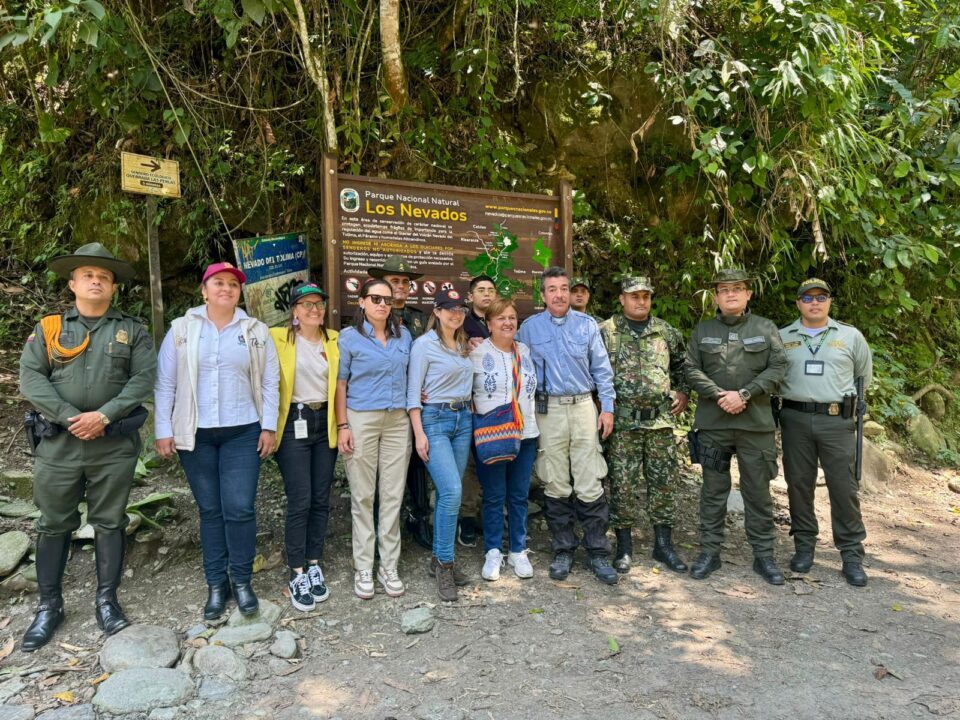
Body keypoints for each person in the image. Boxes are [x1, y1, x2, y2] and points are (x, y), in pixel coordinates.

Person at [19, 243, 156, 651]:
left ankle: (107, 601)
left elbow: (142, 378)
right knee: (53, 523)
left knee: (110, 521)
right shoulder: (50, 329)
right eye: (88, 275)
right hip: (59, 444)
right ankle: (49, 606)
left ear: (113, 287)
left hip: (112, 445)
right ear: (73, 283)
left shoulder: (132, 330)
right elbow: (31, 378)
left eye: (105, 277)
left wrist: (104, 416)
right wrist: (70, 417)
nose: (96, 281)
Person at [155, 262, 280, 619]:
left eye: (233, 284)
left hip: (244, 430)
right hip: (196, 433)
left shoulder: (255, 331)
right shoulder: (181, 330)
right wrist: (163, 428)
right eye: (218, 283)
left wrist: (268, 426)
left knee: (239, 508)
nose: (226, 289)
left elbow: (270, 382)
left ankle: (241, 581)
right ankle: (216, 585)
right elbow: (165, 383)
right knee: (210, 510)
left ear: (240, 292)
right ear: (204, 290)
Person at [684, 268, 787, 585]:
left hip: (755, 427)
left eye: (738, 288)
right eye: (724, 289)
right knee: (713, 491)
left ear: (748, 295)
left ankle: (764, 557)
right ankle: (709, 553)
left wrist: (745, 394)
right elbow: (690, 368)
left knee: (758, 493)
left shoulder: (765, 328)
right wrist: (719, 395)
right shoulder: (703, 331)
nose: (731, 293)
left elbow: (779, 366)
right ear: (715, 296)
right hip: (714, 427)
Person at [517, 266, 618, 585]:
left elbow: (602, 370)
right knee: (555, 478)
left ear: (571, 292)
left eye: (564, 288)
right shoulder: (529, 329)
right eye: (552, 289)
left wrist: (608, 408)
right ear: (542, 294)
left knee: (590, 477)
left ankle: (598, 551)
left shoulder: (587, 326)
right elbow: (515, 368)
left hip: (584, 407)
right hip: (547, 411)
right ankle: (563, 548)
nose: (559, 294)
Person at [778, 279, 873, 587]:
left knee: (844, 487)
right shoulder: (782, 337)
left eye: (821, 297)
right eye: (807, 297)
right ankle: (804, 547)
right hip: (795, 418)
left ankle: (851, 554)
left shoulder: (850, 336)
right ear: (798, 303)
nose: (814, 302)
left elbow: (863, 376)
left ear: (830, 301)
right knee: (798, 484)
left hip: (837, 420)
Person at [599, 276, 690, 574]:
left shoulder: (664, 331)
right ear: (622, 299)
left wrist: (683, 391)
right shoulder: (606, 332)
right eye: (634, 296)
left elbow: (683, 365)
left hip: (660, 422)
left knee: (663, 485)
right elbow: (591, 372)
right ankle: (624, 546)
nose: (641, 301)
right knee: (623, 486)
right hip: (623, 424)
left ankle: (663, 545)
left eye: (645, 296)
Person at [336, 278, 413, 600]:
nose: (383, 304)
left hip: (398, 421)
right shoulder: (349, 338)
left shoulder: (404, 335)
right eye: (376, 299)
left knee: (393, 495)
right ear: (362, 302)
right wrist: (343, 425)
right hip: (361, 418)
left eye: (387, 300)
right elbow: (340, 385)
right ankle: (364, 567)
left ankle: (389, 565)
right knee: (363, 496)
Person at [270, 281, 339, 611]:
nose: (315, 309)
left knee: (321, 497)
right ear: (294, 311)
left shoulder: (336, 340)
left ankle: (314, 563)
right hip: (292, 424)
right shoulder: (276, 339)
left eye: (319, 304)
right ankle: (296, 570)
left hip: (325, 422)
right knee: (300, 498)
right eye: (307, 304)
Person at [407, 288, 475, 601]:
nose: (455, 313)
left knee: (449, 492)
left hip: (463, 420)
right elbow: (413, 394)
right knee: (451, 491)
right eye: (449, 308)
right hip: (434, 420)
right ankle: (446, 565)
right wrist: (419, 433)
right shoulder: (423, 345)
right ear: (437, 311)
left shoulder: (464, 344)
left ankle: (438, 560)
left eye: (460, 308)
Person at [472, 298, 539, 582]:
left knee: (519, 495)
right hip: (493, 434)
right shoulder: (475, 352)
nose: (508, 323)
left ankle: (518, 550)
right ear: (489, 324)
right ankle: (493, 550)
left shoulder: (524, 350)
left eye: (512, 317)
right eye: (501, 318)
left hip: (526, 433)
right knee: (494, 495)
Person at [368, 255, 432, 550]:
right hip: (384, 404)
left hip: (416, 407)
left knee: (419, 465)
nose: (401, 286)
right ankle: (382, 529)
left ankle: (418, 520)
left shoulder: (421, 319)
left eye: (405, 282)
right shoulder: (372, 318)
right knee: (383, 470)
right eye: (395, 281)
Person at [459, 274, 498, 546]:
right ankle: (467, 520)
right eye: (480, 290)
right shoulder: (461, 322)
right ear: (471, 296)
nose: (486, 294)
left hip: (497, 404)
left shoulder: (502, 321)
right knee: (469, 465)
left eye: (491, 290)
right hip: (469, 403)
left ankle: (490, 517)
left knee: (492, 459)